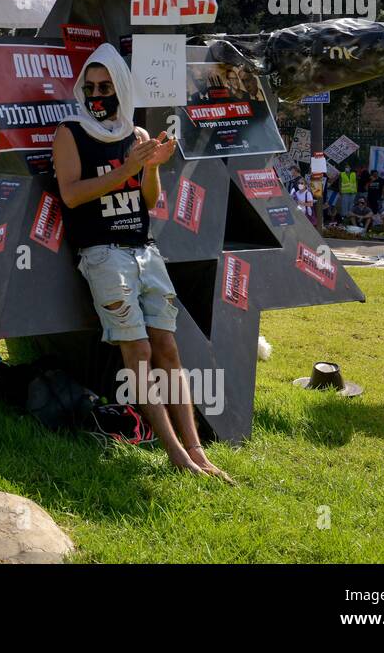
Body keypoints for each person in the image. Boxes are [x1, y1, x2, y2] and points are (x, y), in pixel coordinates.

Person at [52, 44, 231, 480]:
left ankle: (196, 449)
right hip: (103, 254)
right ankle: (176, 454)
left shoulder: (136, 135)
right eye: (90, 86)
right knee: (139, 350)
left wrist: (149, 167)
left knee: (168, 348)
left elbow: (149, 199)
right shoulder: (70, 133)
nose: (97, 94)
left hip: (144, 248)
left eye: (106, 86)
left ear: (122, 87)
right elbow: (72, 195)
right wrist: (125, 169)